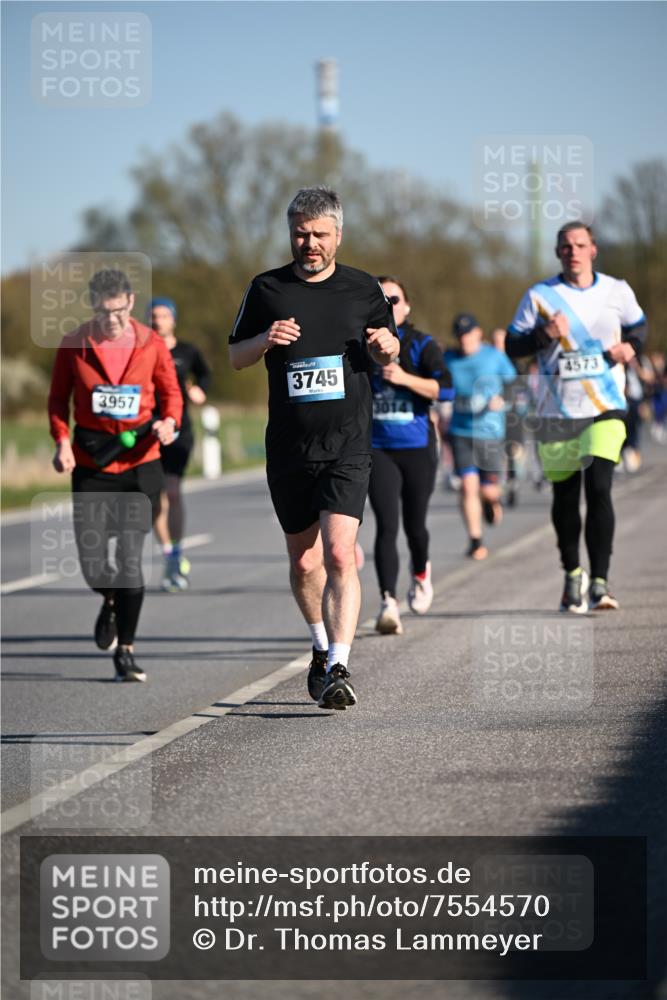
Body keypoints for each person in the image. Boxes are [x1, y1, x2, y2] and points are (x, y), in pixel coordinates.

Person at [228, 186, 399, 710]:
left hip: (347, 443)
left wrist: (386, 345)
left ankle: (342, 665)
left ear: (338, 236)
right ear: (290, 233)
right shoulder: (266, 289)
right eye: (301, 233)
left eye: (320, 235)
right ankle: (320, 649)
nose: (310, 243)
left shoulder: (363, 288)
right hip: (289, 448)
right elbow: (236, 356)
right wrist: (265, 341)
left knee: (341, 553)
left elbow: (388, 349)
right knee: (305, 564)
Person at [48, 268, 182, 681]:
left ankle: (126, 649)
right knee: (93, 563)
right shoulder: (75, 344)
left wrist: (170, 423)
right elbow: (58, 401)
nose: (114, 320)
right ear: (94, 307)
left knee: (128, 558)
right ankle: (109, 599)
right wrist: (62, 441)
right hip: (92, 462)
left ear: (129, 302)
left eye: (120, 311)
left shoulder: (151, 342)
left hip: (141, 462)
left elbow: (171, 394)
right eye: (105, 313)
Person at [505, 221, 647, 612]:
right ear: (557, 253)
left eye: (580, 244)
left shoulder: (616, 290)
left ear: (593, 249)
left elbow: (638, 325)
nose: (573, 251)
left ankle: (600, 582)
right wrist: (544, 334)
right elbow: (512, 346)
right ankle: (572, 573)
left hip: (605, 406)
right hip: (557, 412)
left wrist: (631, 346)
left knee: (599, 486)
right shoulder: (539, 295)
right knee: (565, 498)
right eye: (565, 246)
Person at [368, 276, 450, 635]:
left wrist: (403, 379)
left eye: (395, 299)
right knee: (387, 524)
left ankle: (421, 572)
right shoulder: (360, 344)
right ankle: (388, 601)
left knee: (415, 525)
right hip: (377, 448)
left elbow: (445, 389)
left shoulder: (421, 344)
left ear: (407, 305)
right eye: (381, 300)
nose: (389, 306)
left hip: (417, 448)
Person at [148, 297, 212, 591]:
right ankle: (168, 553)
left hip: (178, 430)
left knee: (172, 491)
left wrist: (199, 390)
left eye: (163, 316)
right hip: (146, 431)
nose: (157, 320)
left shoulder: (187, 351)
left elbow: (206, 374)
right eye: (153, 316)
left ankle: (175, 553)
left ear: (172, 320)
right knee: (154, 498)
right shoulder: (140, 351)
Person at [444, 314, 517, 560]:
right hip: (460, 431)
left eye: (468, 334)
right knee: (467, 486)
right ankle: (475, 540)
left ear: (478, 333)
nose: (464, 340)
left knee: (488, 491)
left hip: (490, 433)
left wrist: (503, 401)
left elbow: (513, 386)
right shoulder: (449, 359)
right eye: (460, 335)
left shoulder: (494, 357)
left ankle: (491, 502)